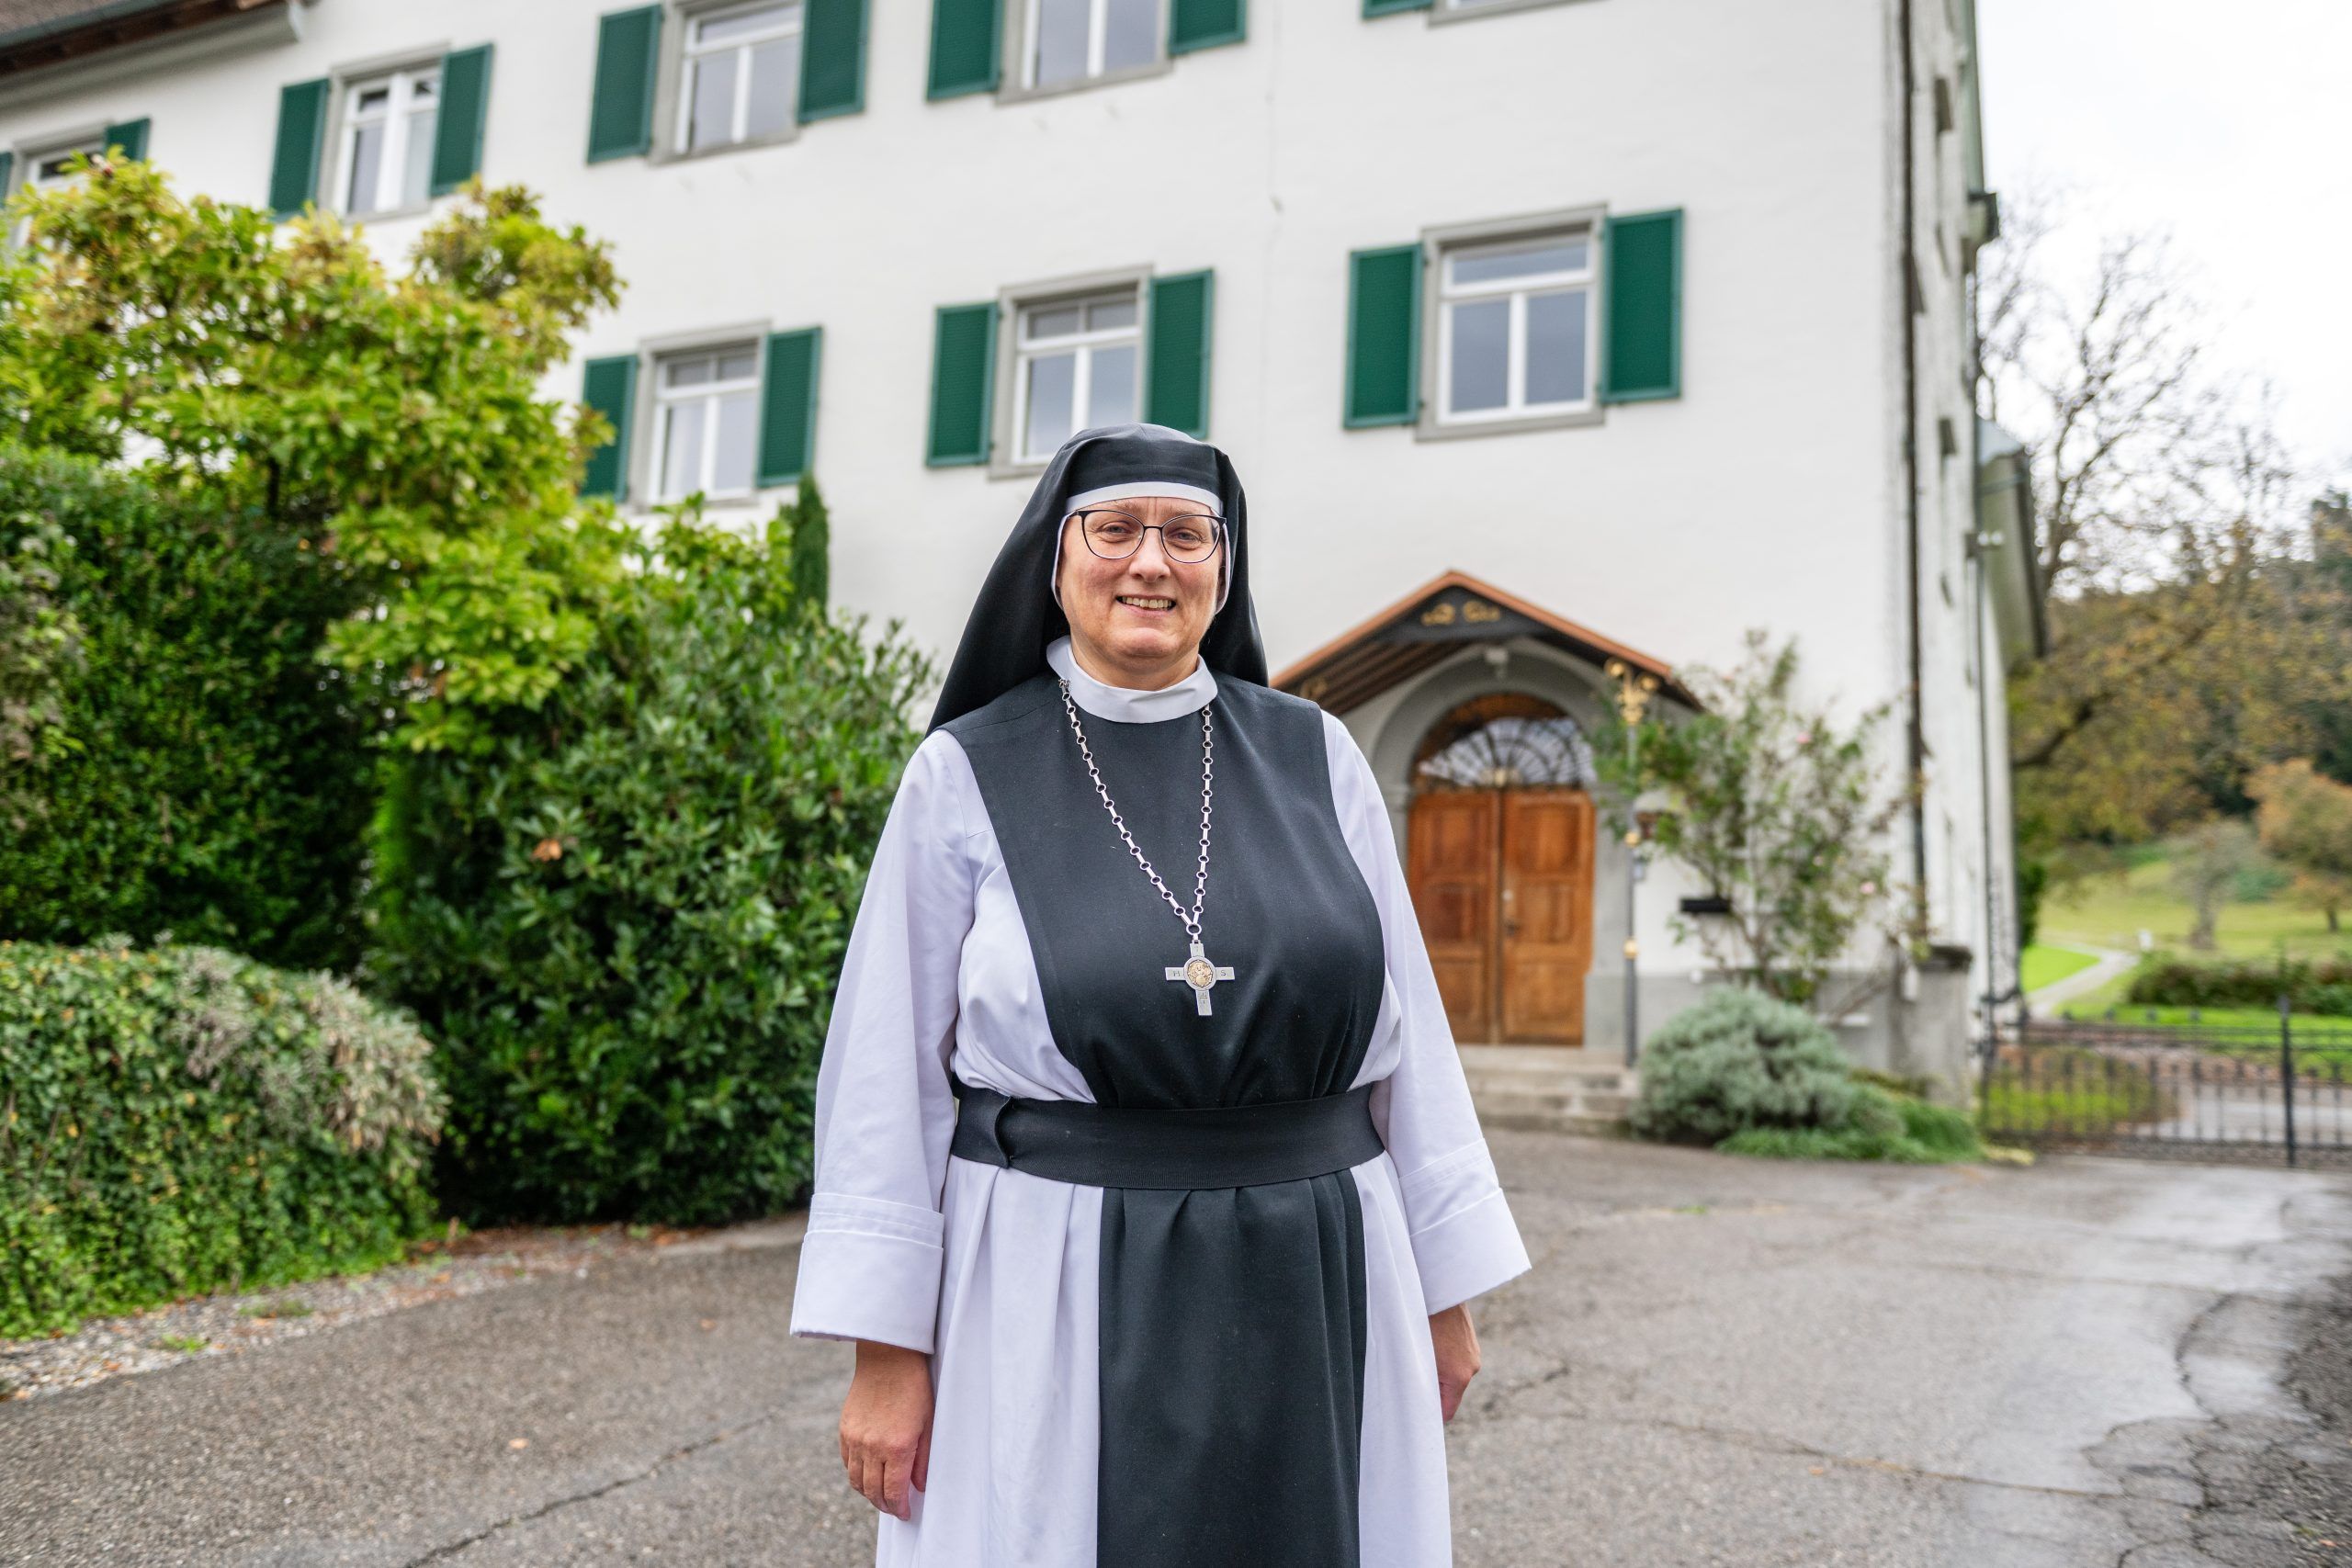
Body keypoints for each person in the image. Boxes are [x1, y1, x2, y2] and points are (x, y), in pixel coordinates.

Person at [790, 422, 1531, 1567]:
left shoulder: (1313, 754)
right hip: (1054, 1264)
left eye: (1187, 534)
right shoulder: (967, 770)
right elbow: (885, 1070)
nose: (1151, 561)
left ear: (1223, 570)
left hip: (1319, 1256)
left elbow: (1409, 1038)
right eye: (1116, 529)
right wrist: (885, 1355)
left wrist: (1445, 1291)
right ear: (1055, 558)